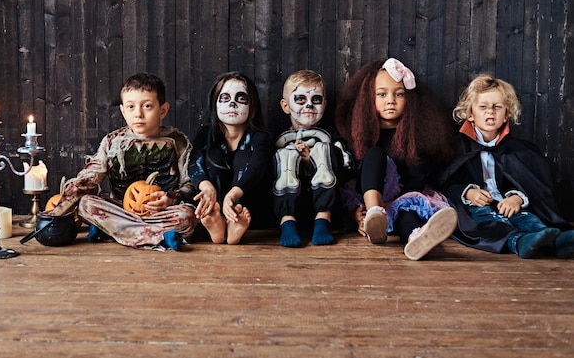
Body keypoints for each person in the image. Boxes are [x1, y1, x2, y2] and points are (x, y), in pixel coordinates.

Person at [47, 73, 197, 250]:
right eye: (131, 107)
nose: (138, 114)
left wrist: (171, 198)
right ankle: (160, 236)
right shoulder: (113, 142)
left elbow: (190, 184)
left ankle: (112, 230)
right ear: (123, 111)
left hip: (160, 211)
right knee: (86, 203)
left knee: (187, 215)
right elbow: (89, 178)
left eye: (147, 106)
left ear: (162, 110)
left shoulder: (177, 141)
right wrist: (55, 213)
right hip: (120, 208)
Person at [335, 58, 458, 260]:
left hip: (403, 197)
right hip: (370, 201)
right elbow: (354, 179)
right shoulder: (362, 137)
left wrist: (393, 204)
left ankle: (415, 239)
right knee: (374, 154)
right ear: (369, 99)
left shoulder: (419, 138)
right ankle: (374, 219)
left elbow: (416, 181)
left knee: (408, 213)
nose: (390, 100)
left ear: (409, 99)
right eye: (382, 94)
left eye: (399, 94)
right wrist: (357, 214)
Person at [440, 75, 574, 259]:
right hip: (476, 208)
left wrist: (516, 198)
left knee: (527, 217)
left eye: (497, 107)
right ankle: (519, 242)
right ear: (470, 114)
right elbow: (444, 181)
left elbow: (529, 183)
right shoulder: (455, 148)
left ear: (507, 114)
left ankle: (555, 242)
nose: (490, 112)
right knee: (488, 222)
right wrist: (469, 193)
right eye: (483, 106)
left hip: (507, 204)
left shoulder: (517, 150)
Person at [188, 71, 273, 244]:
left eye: (241, 98)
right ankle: (218, 222)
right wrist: (206, 187)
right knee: (214, 155)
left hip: (249, 206)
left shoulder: (259, 137)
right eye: (225, 98)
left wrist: (233, 195)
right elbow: (193, 163)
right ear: (215, 103)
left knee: (244, 157)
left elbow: (257, 168)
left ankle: (235, 220)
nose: (232, 104)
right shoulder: (206, 134)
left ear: (252, 105)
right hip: (214, 203)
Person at [274, 69, 351, 248]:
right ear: (286, 106)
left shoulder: (332, 137)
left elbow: (347, 166)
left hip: (327, 209)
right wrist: (298, 159)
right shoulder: (279, 140)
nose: (309, 106)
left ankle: (323, 220)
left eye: (315, 100)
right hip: (292, 206)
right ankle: (287, 222)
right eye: (300, 99)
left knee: (324, 149)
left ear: (324, 104)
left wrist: (312, 160)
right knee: (284, 155)